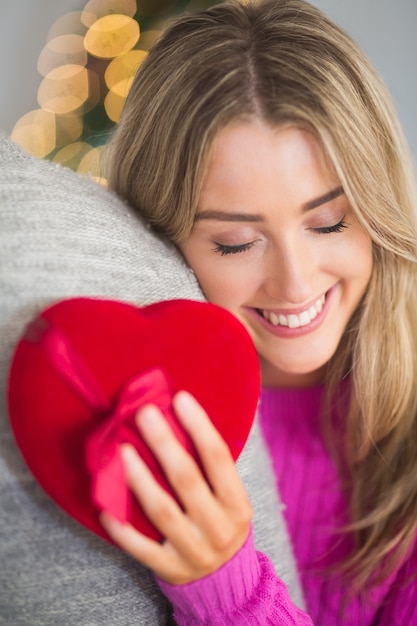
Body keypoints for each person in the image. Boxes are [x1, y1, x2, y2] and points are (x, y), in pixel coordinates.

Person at [106, 0, 417, 623]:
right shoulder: (137, 412)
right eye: (236, 243)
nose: (296, 282)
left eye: (329, 222)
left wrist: (227, 591)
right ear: (159, 235)